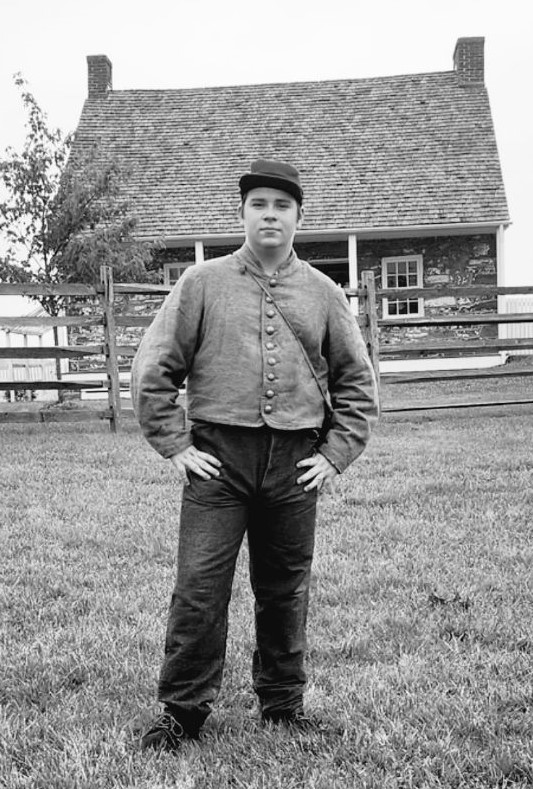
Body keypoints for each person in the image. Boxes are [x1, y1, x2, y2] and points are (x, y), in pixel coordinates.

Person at [131, 159, 379, 750]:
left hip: (295, 465)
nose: (270, 215)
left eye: (282, 206)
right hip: (219, 462)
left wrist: (334, 454)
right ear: (242, 214)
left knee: (285, 589)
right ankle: (183, 710)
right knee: (199, 587)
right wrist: (175, 445)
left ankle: (283, 704)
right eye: (259, 205)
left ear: (298, 217)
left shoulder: (323, 293)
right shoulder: (201, 283)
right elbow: (154, 368)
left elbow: (357, 383)